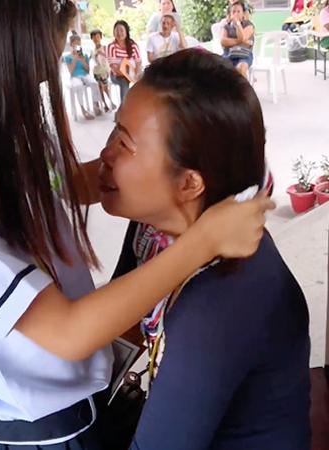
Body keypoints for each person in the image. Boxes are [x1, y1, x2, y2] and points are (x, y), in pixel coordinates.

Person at [0, 0, 274, 448]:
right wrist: (203, 238)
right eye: (34, 75)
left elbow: (71, 182)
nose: (107, 154)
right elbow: (71, 331)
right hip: (37, 432)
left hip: (84, 396)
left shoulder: (6, 135)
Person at [101, 49, 310, 449]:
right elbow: (119, 321)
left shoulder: (219, 305)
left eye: (125, 144)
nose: (105, 155)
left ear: (190, 183)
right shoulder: (153, 228)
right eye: (114, 130)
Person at [64, 34, 101, 119]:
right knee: (78, 86)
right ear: (71, 45)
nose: (77, 45)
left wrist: (83, 60)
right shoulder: (68, 57)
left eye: (78, 43)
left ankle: (95, 105)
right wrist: (75, 58)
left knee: (94, 82)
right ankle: (83, 109)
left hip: (85, 74)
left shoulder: (84, 55)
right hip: (75, 76)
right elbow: (71, 71)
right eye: (75, 44)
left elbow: (87, 70)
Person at [108, 20, 142, 102]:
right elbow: (113, 67)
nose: (119, 33)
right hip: (117, 75)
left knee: (145, 78)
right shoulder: (111, 46)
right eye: (117, 30)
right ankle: (124, 107)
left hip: (132, 73)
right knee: (124, 81)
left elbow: (138, 62)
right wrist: (126, 75)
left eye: (121, 30)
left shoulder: (133, 45)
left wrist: (137, 74)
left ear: (126, 32)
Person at [221, 1, 255, 78]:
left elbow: (242, 37)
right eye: (233, 12)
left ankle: (243, 89)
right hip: (228, 54)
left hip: (244, 55)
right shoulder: (227, 26)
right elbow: (223, 42)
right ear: (230, 14)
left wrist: (237, 24)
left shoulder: (249, 25)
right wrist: (243, 41)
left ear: (243, 13)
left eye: (238, 11)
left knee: (241, 68)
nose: (236, 14)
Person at [91, 29, 117, 111]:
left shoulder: (105, 47)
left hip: (105, 70)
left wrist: (101, 53)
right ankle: (105, 104)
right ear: (92, 39)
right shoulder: (92, 50)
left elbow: (110, 57)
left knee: (104, 87)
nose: (96, 39)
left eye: (98, 37)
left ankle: (110, 102)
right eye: (94, 37)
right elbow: (93, 60)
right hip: (96, 71)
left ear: (101, 37)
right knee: (99, 88)